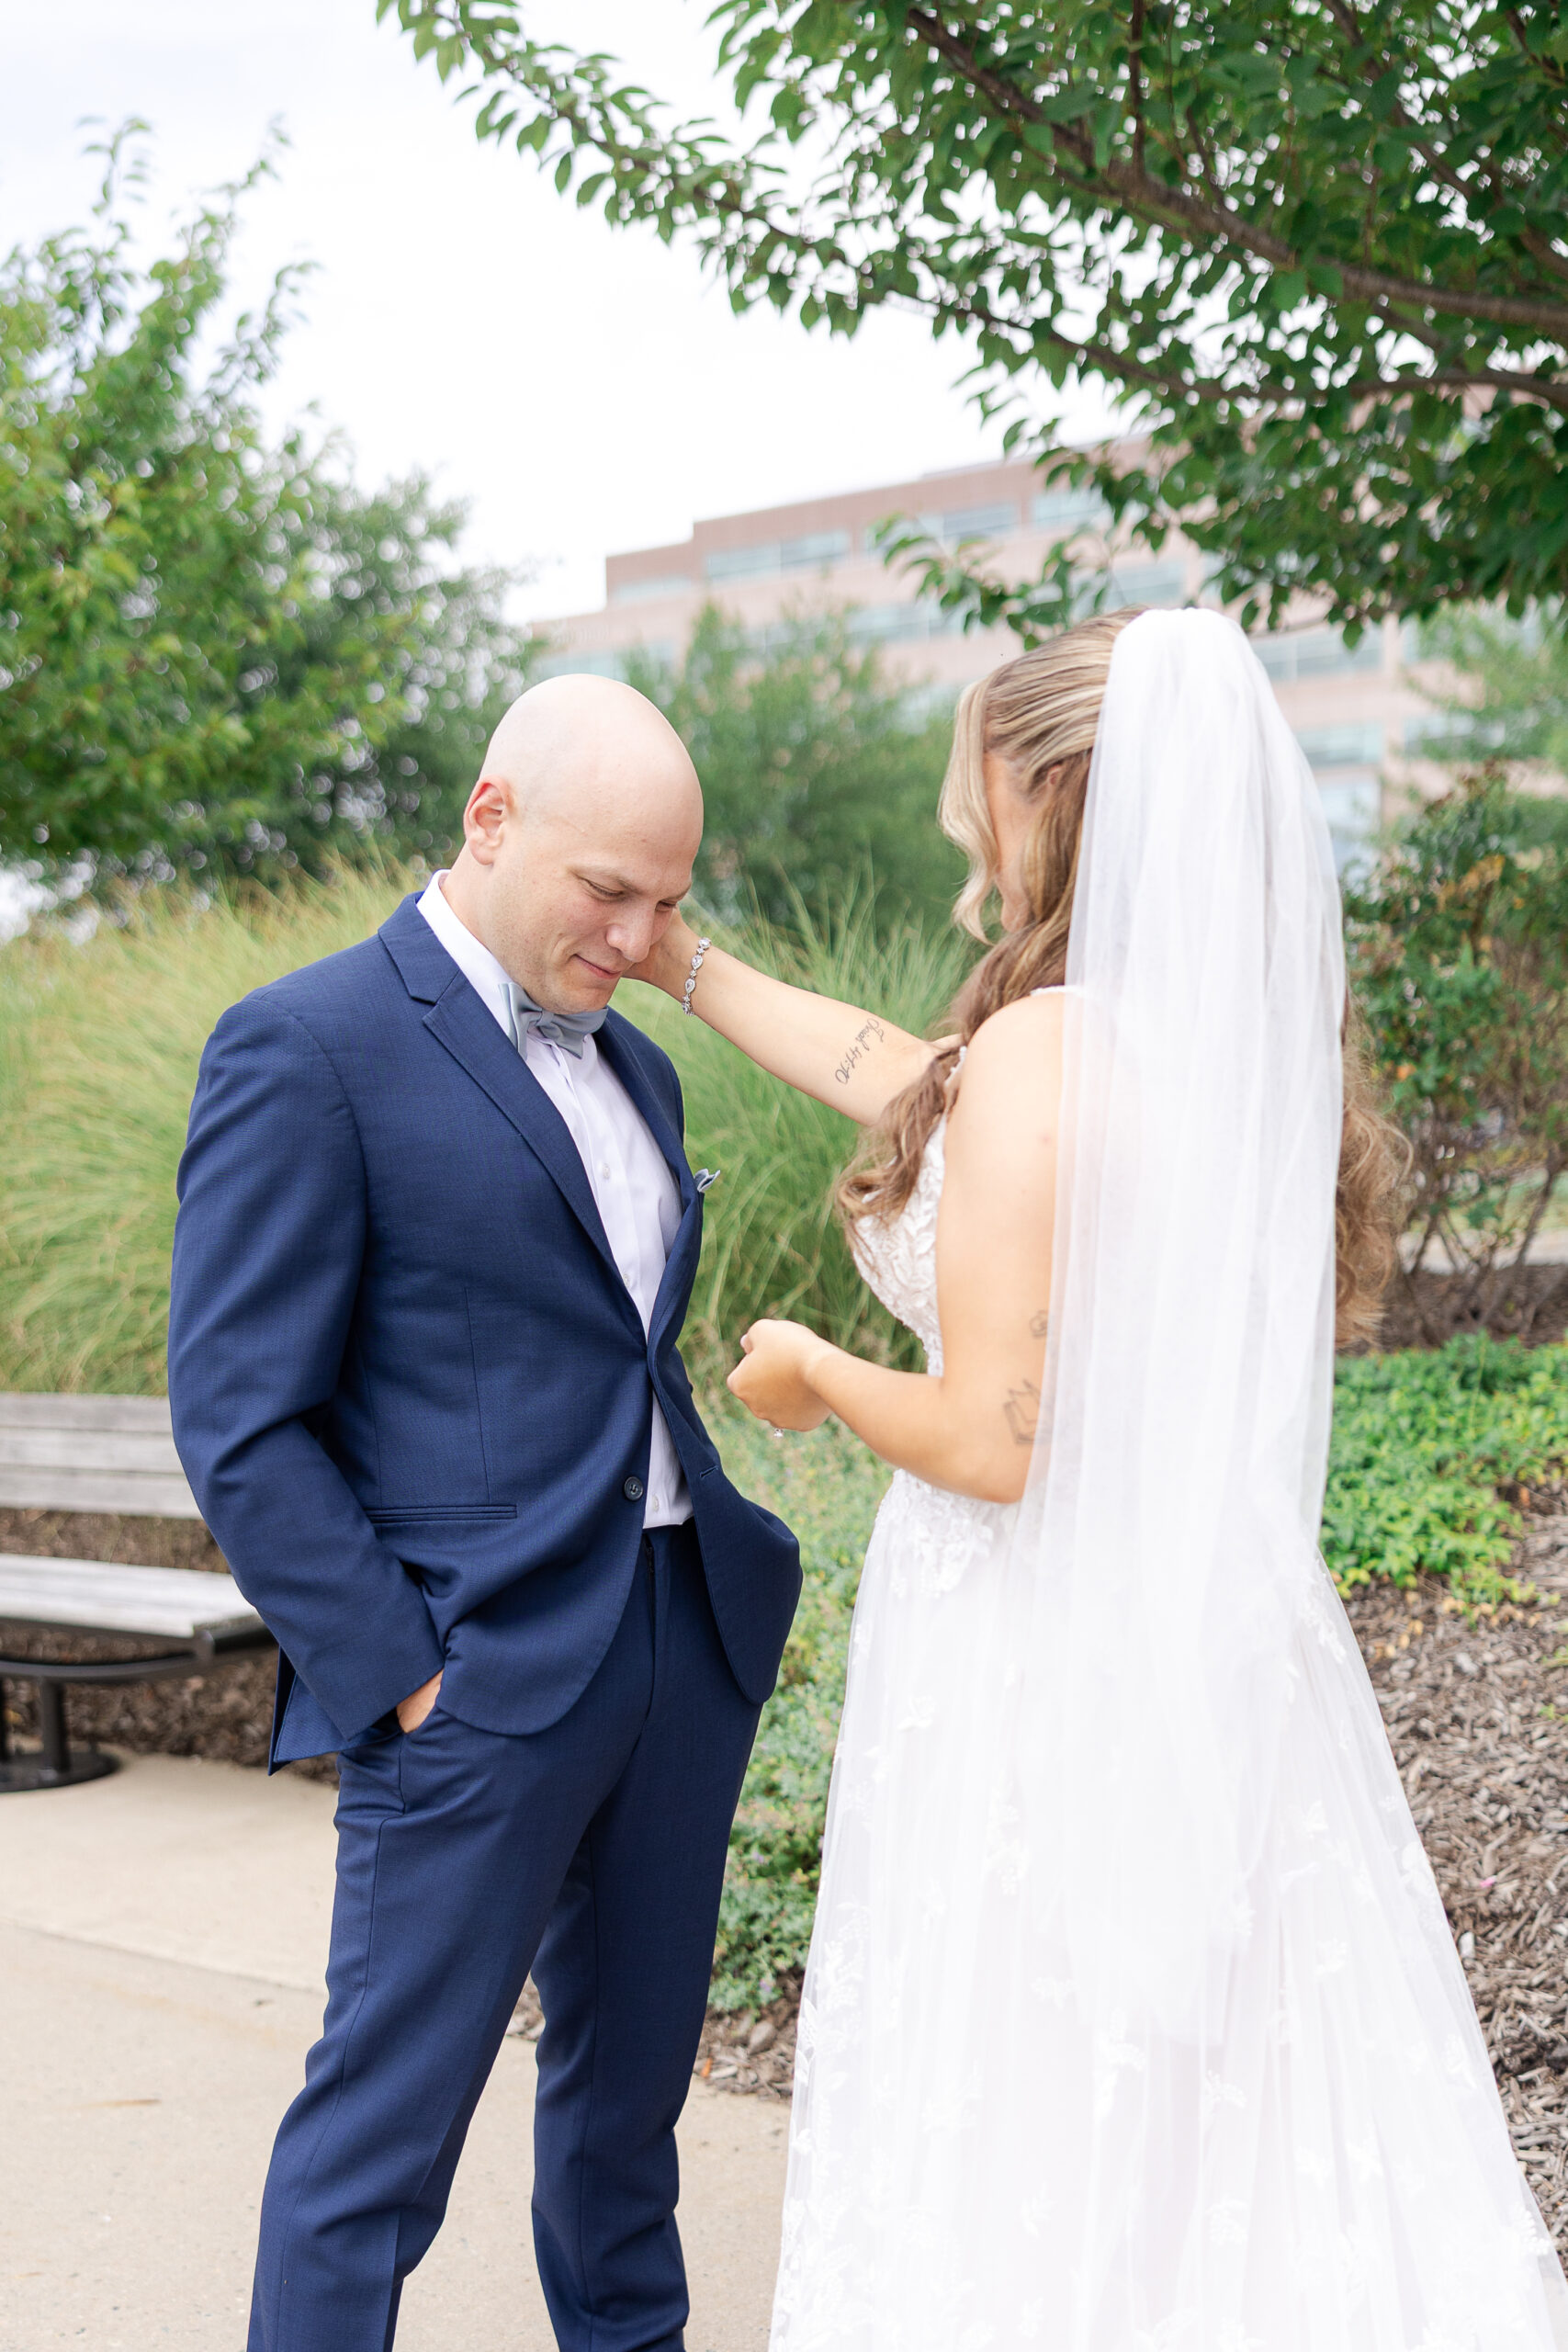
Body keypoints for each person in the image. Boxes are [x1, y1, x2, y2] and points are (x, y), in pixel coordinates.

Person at [629, 607, 1568, 2347]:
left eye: (980, 765)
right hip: (1192, 1629)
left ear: (1056, 787)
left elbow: (993, 1440)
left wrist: (817, 1375)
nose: (954, 805)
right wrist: (682, 965)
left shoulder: (1054, 1050)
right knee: (1199, 2092)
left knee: (1026, 2077)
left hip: (1030, 1645)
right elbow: (889, 1072)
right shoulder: (1175, 1048)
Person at [167, 674, 801, 2352]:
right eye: (610, 890)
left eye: (670, 900)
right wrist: (401, 1673)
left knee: (626, 2135)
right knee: (378, 2149)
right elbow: (240, 1420)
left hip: (678, 1643)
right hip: (478, 1680)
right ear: (489, 815)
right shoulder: (308, 1044)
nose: (640, 934)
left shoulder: (642, 1073)